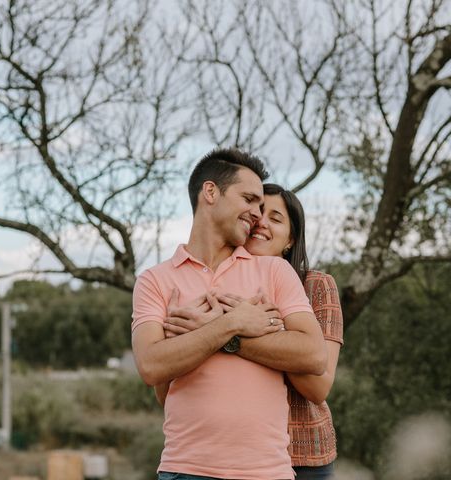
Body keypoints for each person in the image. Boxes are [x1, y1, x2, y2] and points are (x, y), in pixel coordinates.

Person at [131, 148, 327, 480]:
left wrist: (209, 333)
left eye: (261, 207)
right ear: (210, 192)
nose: (257, 215)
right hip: (185, 470)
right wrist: (234, 321)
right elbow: (151, 365)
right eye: (249, 199)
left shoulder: (274, 271)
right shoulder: (155, 280)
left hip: (267, 473)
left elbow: (314, 355)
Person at [162, 184, 344, 479]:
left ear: (291, 239)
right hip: (233, 457)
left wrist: (225, 335)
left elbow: (317, 386)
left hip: (305, 454)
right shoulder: (216, 281)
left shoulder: (317, 286)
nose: (262, 222)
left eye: (276, 217)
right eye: (258, 214)